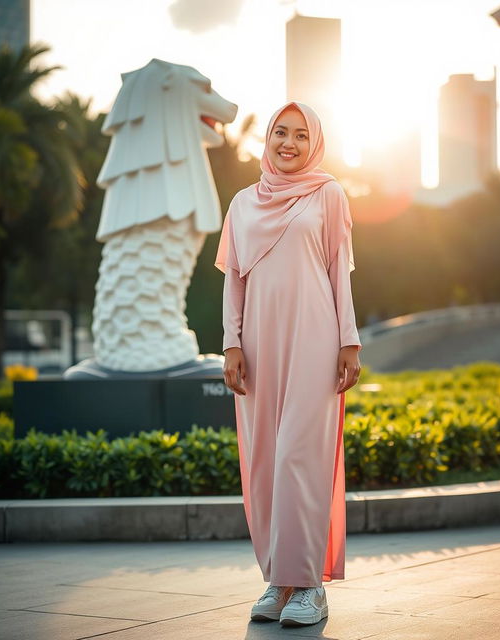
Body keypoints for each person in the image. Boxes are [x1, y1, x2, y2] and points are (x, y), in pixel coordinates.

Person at [214, 101, 361, 627]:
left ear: (315, 142)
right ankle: (279, 580)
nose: (289, 143)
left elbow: (338, 272)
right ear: (268, 138)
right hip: (257, 343)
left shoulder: (329, 195)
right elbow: (233, 280)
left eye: (301, 135)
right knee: (265, 461)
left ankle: (309, 586)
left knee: (301, 454)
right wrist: (231, 343)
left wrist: (349, 340)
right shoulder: (241, 203)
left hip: (316, 337)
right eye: (281, 132)